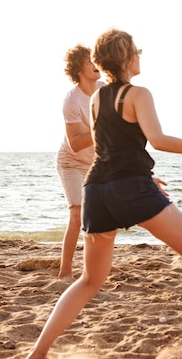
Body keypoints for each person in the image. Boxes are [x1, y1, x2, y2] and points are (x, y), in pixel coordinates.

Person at [27, 29, 182, 359]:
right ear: (127, 58)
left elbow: (109, 150)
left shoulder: (96, 99)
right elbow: (157, 140)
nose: (140, 55)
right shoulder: (138, 94)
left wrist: (145, 176)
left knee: (89, 280)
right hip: (130, 187)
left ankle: (37, 354)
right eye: (137, 51)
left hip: (97, 189)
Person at [55, 44, 104, 282]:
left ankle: (100, 266)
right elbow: (75, 143)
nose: (96, 65)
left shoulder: (105, 91)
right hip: (71, 163)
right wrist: (100, 128)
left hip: (96, 162)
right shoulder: (72, 101)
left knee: (100, 214)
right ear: (78, 69)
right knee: (77, 214)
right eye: (89, 62)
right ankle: (65, 271)